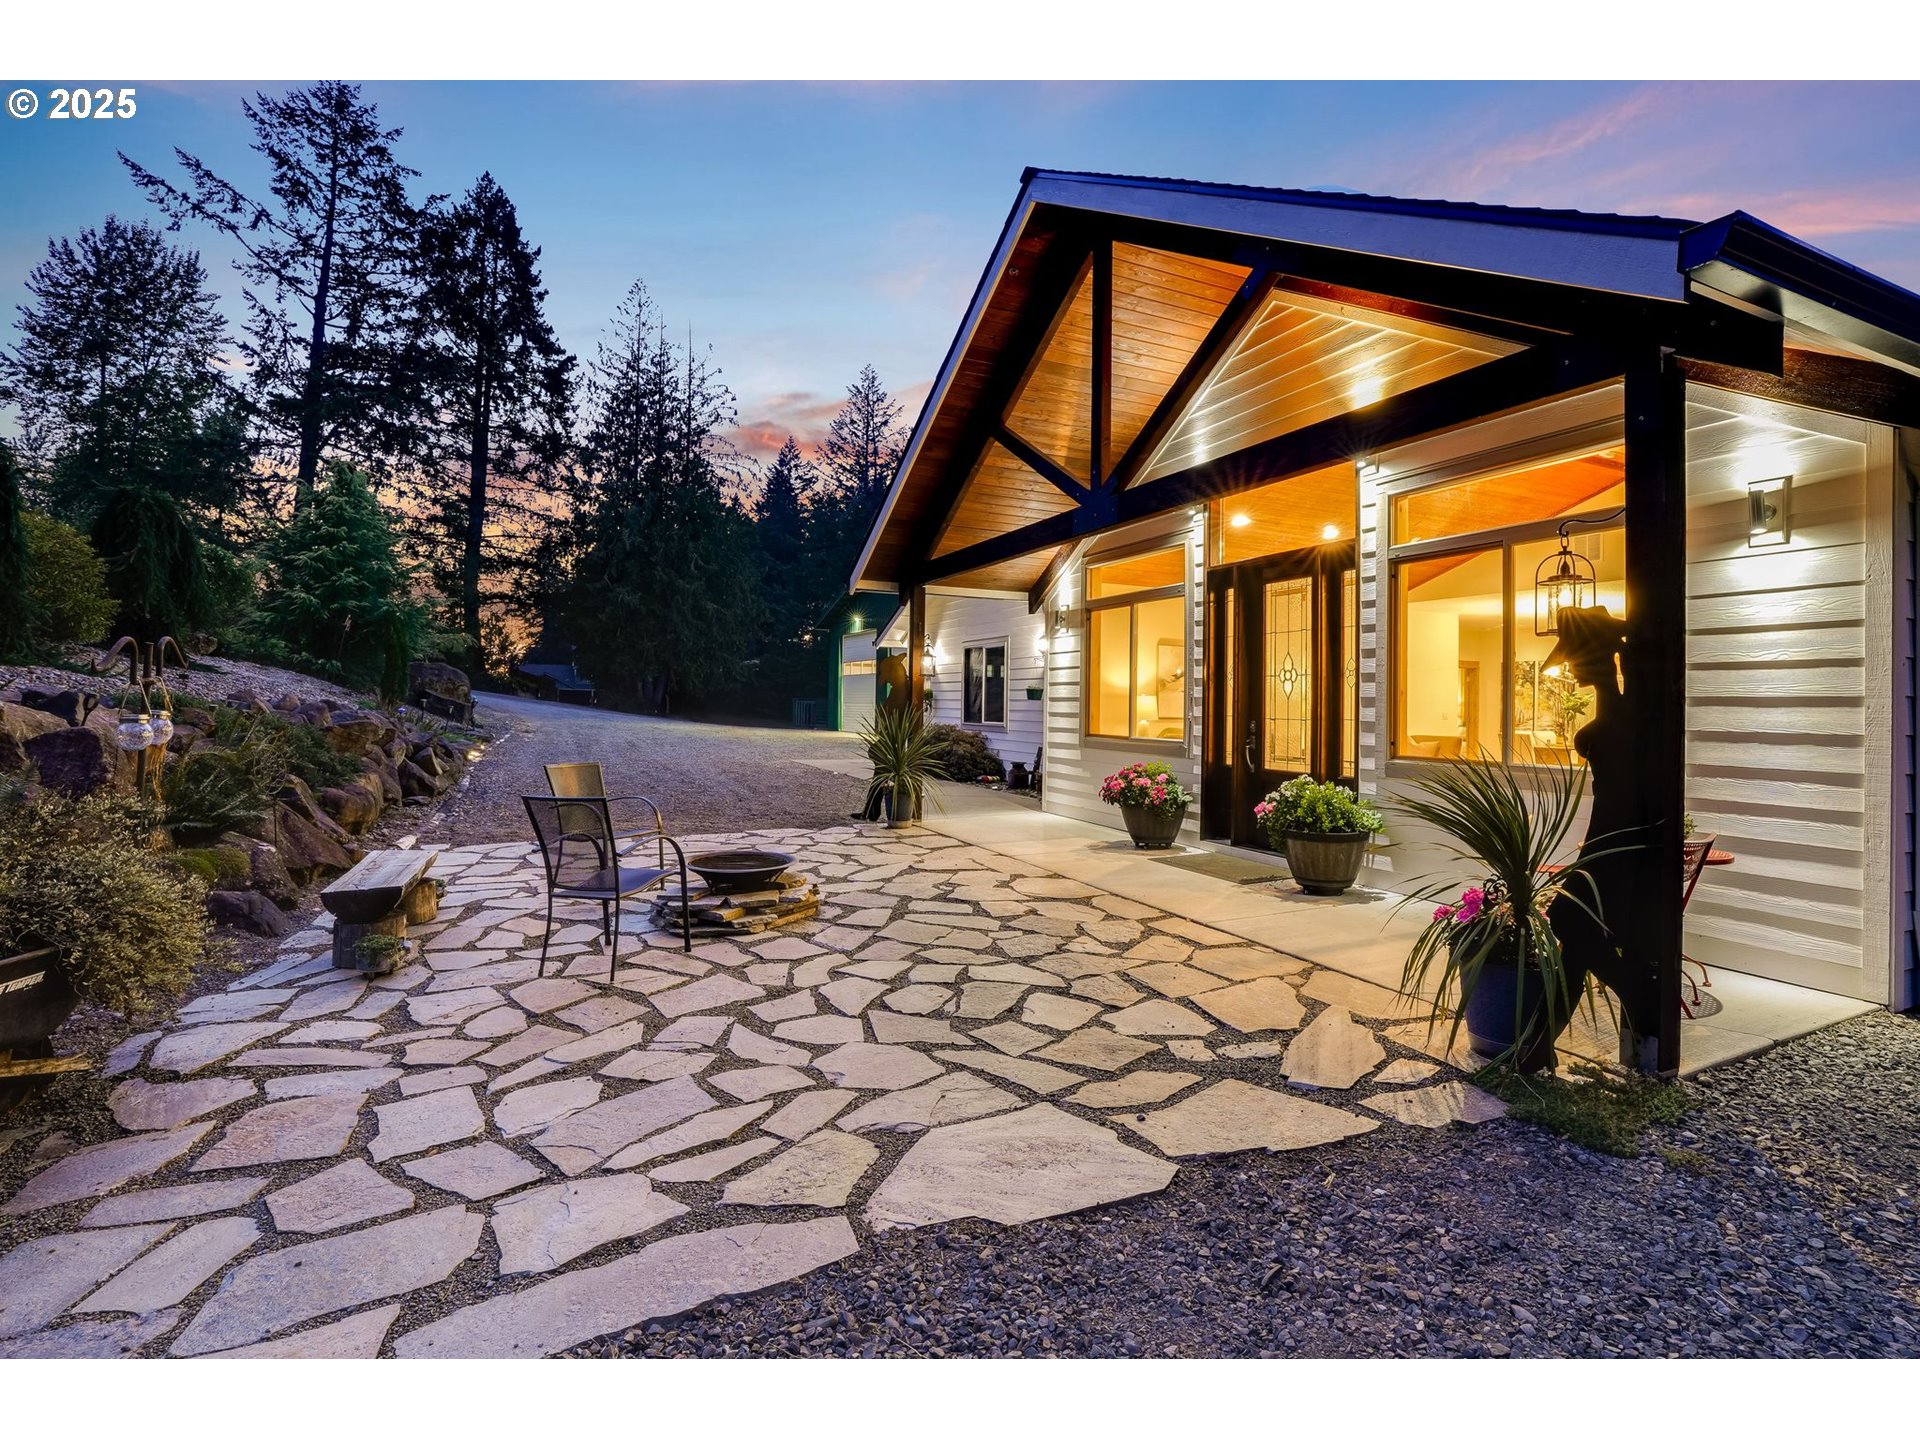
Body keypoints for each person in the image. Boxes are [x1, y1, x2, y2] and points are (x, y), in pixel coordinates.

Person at [1541, 606, 1644, 1046]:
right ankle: (1535, 1048)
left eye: (1579, 658)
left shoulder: (1622, 716)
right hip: (1608, 834)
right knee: (1574, 945)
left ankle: (1637, 993)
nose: (1573, 668)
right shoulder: (1617, 708)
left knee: (1568, 917)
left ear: (1602, 658)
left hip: (1617, 838)